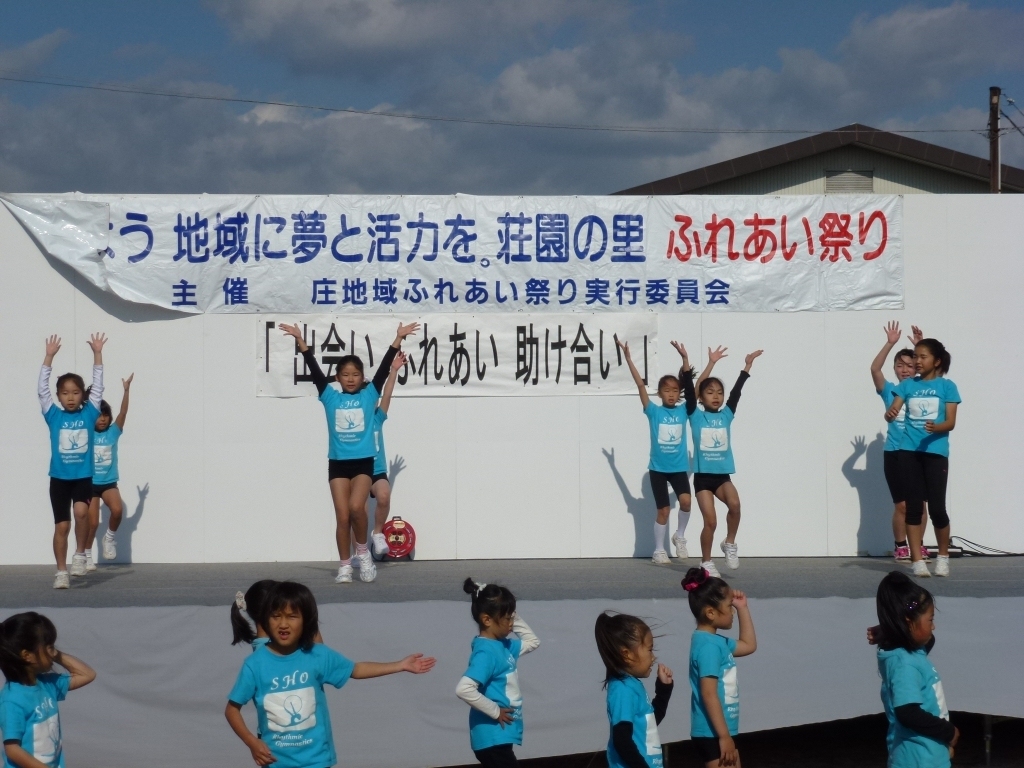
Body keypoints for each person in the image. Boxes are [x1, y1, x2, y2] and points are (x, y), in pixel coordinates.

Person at [225, 581, 435, 768]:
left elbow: (355, 669)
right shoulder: (255, 664)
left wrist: (400, 665)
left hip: (317, 760)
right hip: (276, 762)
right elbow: (232, 710)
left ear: (306, 621)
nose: (283, 624)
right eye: (276, 616)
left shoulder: (317, 655)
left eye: (292, 616)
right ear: (265, 619)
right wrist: (252, 742)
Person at [279, 322, 418, 583]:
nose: (351, 378)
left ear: (362, 377)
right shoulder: (330, 398)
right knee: (342, 517)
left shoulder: (369, 396)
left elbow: (383, 371)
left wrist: (398, 338)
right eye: (345, 374)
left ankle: (363, 553)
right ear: (337, 378)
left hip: (363, 463)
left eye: (355, 374)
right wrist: (300, 341)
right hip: (338, 464)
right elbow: (314, 370)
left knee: (357, 508)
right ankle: (345, 565)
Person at [681, 346, 762, 575]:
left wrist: (747, 366)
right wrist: (687, 359)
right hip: (703, 479)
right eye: (710, 392)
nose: (716, 396)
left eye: (719, 392)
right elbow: (690, 390)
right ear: (701, 397)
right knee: (711, 521)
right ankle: (706, 562)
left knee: (735, 505)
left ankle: (729, 543)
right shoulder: (695, 415)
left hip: (722, 477)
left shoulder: (727, 414)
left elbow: (736, 392)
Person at [885, 339, 960, 578]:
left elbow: (951, 422)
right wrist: (890, 413)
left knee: (937, 509)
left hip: (936, 453)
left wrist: (936, 427)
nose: (917, 361)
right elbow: (893, 409)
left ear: (936, 361)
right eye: (915, 356)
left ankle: (943, 557)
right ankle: (917, 560)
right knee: (913, 508)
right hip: (908, 452)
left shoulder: (947, 386)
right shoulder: (908, 386)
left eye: (922, 357)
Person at [38, 334, 106, 588]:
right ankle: (61, 572)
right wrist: (49, 357)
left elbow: (98, 387)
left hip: (82, 477)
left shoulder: (90, 413)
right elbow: (42, 390)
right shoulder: (53, 415)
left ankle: (80, 555)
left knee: (81, 512)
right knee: (62, 526)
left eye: (75, 393)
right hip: (59, 479)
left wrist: (97, 354)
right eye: (65, 393)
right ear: (58, 396)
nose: (70, 397)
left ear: (82, 395)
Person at [617, 338, 692, 564]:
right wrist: (629, 359)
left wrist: (685, 359)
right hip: (658, 470)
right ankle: (659, 550)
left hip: (679, 469)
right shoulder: (653, 411)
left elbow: (693, 388)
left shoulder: (684, 411)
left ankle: (679, 536)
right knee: (664, 511)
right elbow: (641, 386)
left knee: (686, 502)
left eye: (675, 390)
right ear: (659, 393)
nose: (671, 394)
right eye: (666, 390)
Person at [872, 571, 958, 767]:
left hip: (928, 754)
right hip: (918, 758)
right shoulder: (905, 664)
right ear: (908, 623)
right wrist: (949, 732)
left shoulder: (909, 652)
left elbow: (928, 641)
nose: (933, 627)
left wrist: (890, 629)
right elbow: (908, 712)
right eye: (930, 620)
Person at [456, 579, 540, 767]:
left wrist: (509, 610)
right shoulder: (486, 653)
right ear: (487, 620)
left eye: (512, 617)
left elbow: (532, 641)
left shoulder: (504, 646)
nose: (512, 623)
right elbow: (464, 689)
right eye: (508, 618)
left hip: (500, 736)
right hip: (491, 738)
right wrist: (495, 711)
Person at [0, 611, 96, 768]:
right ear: (27, 656)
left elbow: (87, 674)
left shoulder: (47, 684)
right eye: (50, 647)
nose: (53, 651)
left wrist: (55, 654)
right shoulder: (12, 700)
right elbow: (12, 749)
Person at [683, 567, 757, 768]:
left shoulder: (715, 642)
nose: (732, 611)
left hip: (721, 731)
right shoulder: (709, 647)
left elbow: (749, 645)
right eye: (729, 606)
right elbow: (708, 693)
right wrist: (724, 736)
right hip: (713, 733)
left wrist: (742, 608)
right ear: (710, 612)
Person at [870, 322, 925, 562]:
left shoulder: (924, 388)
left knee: (920, 505)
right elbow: (874, 369)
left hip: (919, 453)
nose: (905, 370)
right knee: (902, 505)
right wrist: (890, 343)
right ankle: (901, 546)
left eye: (910, 366)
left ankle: (919, 546)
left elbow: (935, 370)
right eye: (900, 365)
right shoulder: (889, 390)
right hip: (894, 453)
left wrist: (921, 347)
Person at [594, 611, 673, 768]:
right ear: (627, 655)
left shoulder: (632, 684)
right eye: (650, 649)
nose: (653, 657)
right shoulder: (622, 689)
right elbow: (622, 740)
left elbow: (649, 725)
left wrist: (663, 690)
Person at [84, 373, 134, 568]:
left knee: (117, 510)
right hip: (90, 484)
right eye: (99, 415)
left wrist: (126, 391)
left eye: (105, 415)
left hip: (108, 483)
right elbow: (82, 412)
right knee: (92, 523)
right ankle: (86, 554)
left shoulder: (113, 432)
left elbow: (123, 413)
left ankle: (109, 538)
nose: (102, 419)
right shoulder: (87, 432)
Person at [367, 351, 407, 559]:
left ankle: (377, 533)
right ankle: (359, 550)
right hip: (357, 471)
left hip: (377, 470)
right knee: (359, 511)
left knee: (384, 495)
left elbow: (387, 394)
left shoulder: (377, 417)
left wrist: (394, 370)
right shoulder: (353, 418)